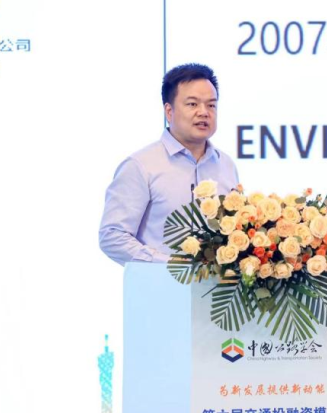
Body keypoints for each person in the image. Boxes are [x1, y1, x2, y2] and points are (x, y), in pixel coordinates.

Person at [99, 63, 239, 265]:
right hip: (159, 283)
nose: (204, 112)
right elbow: (112, 236)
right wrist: (170, 264)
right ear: (169, 111)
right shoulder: (140, 165)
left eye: (211, 105)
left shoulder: (226, 165)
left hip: (215, 285)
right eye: (192, 104)